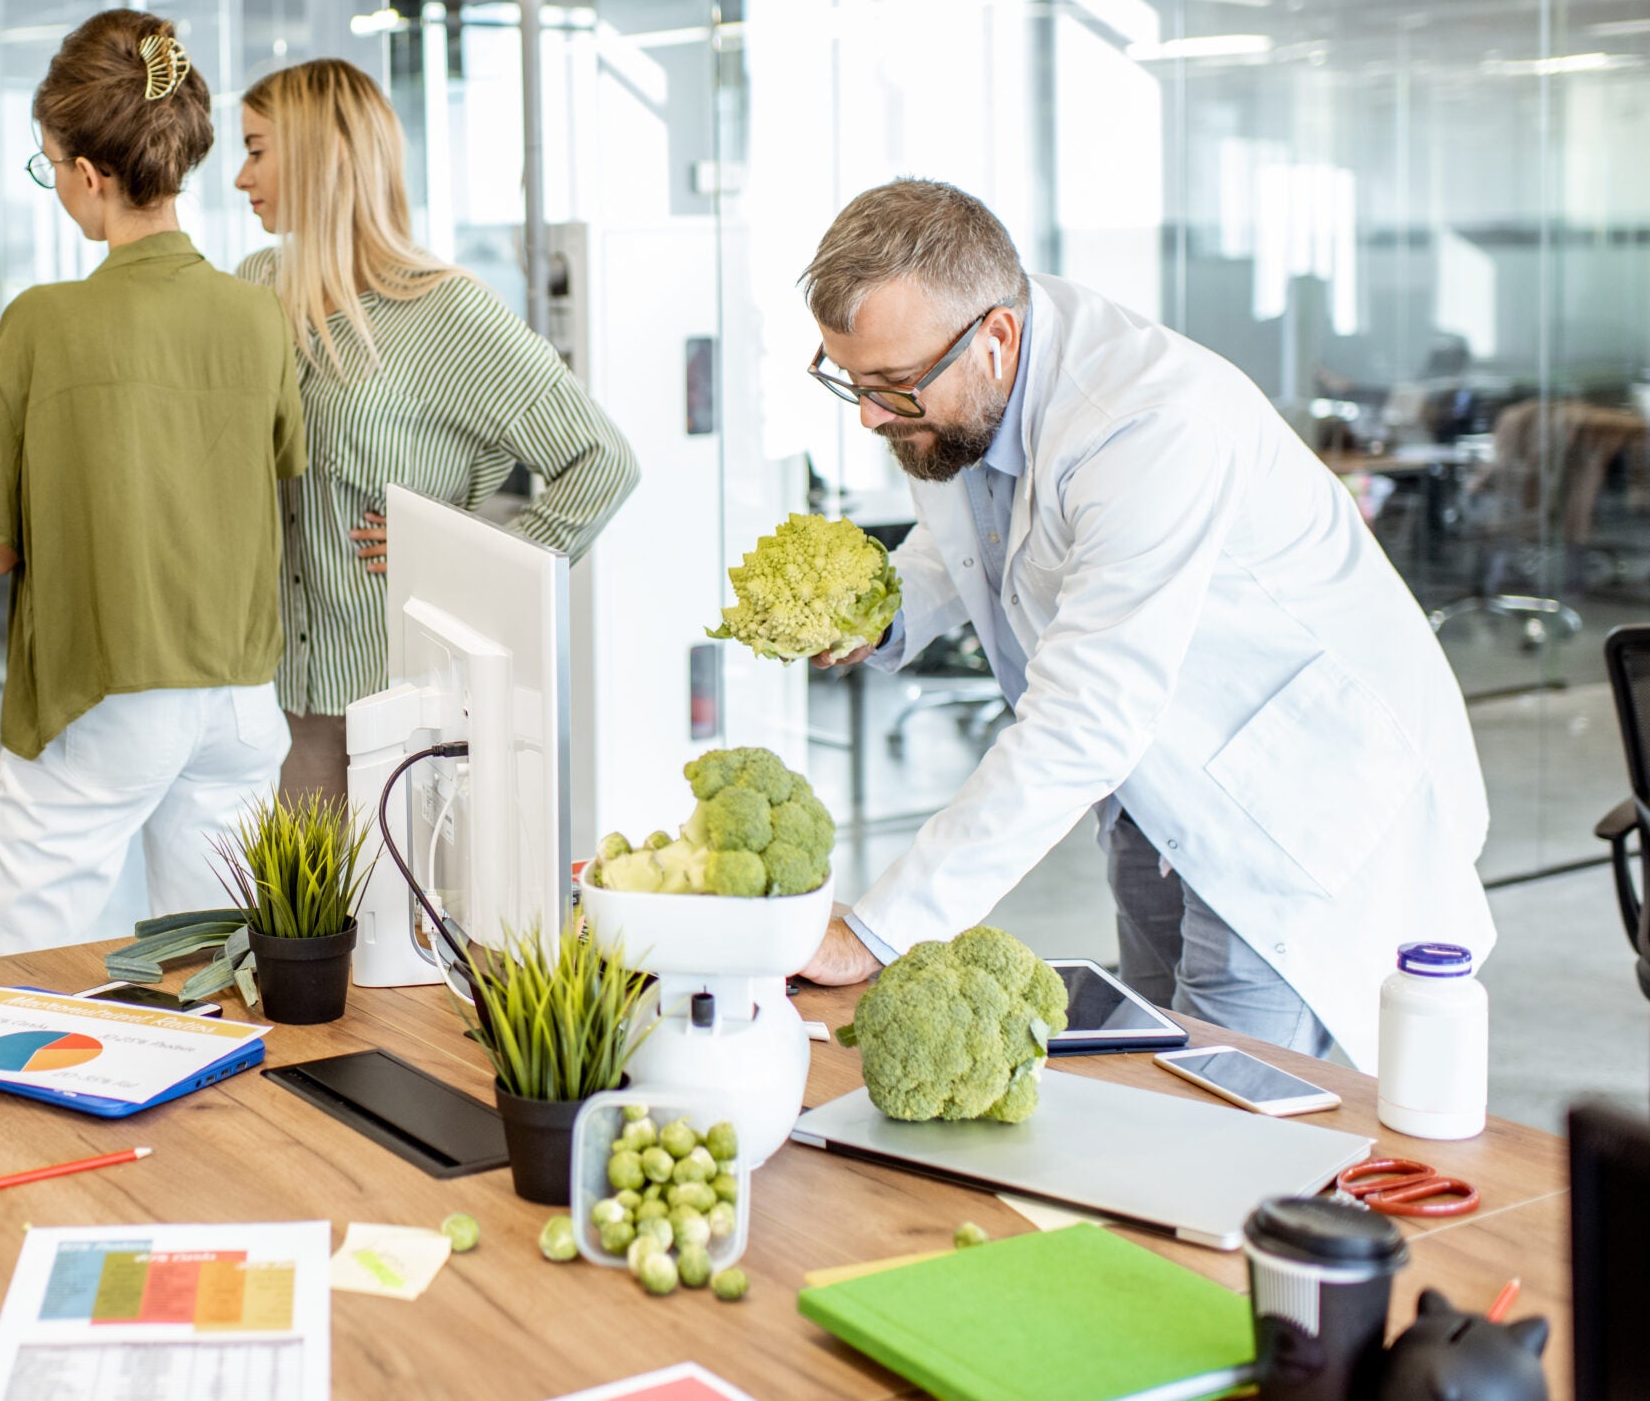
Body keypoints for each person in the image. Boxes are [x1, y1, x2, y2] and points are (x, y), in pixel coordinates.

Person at [792, 178, 1492, 1067]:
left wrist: (883, 930)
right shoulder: (963, 377)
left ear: (996, 338)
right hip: (1155, 788)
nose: (870, 415)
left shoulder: (1147, 422)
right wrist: (885, 611)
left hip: (1289, 802)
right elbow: (992, 538)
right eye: (849, 382)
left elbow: (1083, 722)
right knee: (1157, 1078)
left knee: (1239, 1122)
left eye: (891, 387)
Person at [0, 11, 303, 957]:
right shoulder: (257, 316)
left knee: (16, 974)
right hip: (241, 697)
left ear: (89, 174)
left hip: (106, 692)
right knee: (212, 966)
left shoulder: (45, 322)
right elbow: (274, 471)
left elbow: (1, 542)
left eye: (50, 165)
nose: (56, 186)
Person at [232, 59, 638, 801]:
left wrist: (473, 560)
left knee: (391, 915)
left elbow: (601, 460)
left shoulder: (445, 312)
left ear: (321, 157)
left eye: (257, 149)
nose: (240, 176)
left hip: (397, 702)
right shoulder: (257, 284)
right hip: (270, 696)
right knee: (295, 914)